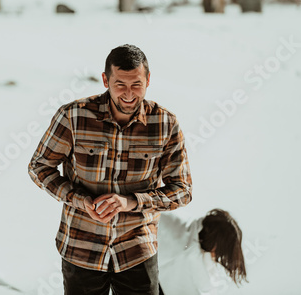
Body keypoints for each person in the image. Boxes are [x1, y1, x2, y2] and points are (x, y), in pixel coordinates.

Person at [28, 44, 193, 294]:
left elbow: (182, 190)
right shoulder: (74, 116)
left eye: (136, 84)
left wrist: (131, 202)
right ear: (105, 80)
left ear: (148, 80)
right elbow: (40, 166)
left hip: (137, 250)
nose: (128, 94)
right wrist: (80, 200)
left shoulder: (165, 124)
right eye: (120, 84)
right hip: (81, 248)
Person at [158, 209, 247, 295]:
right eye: (219, 252)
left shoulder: (186, 221)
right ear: (215, 244)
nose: (216, 257)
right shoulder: (190, 253)